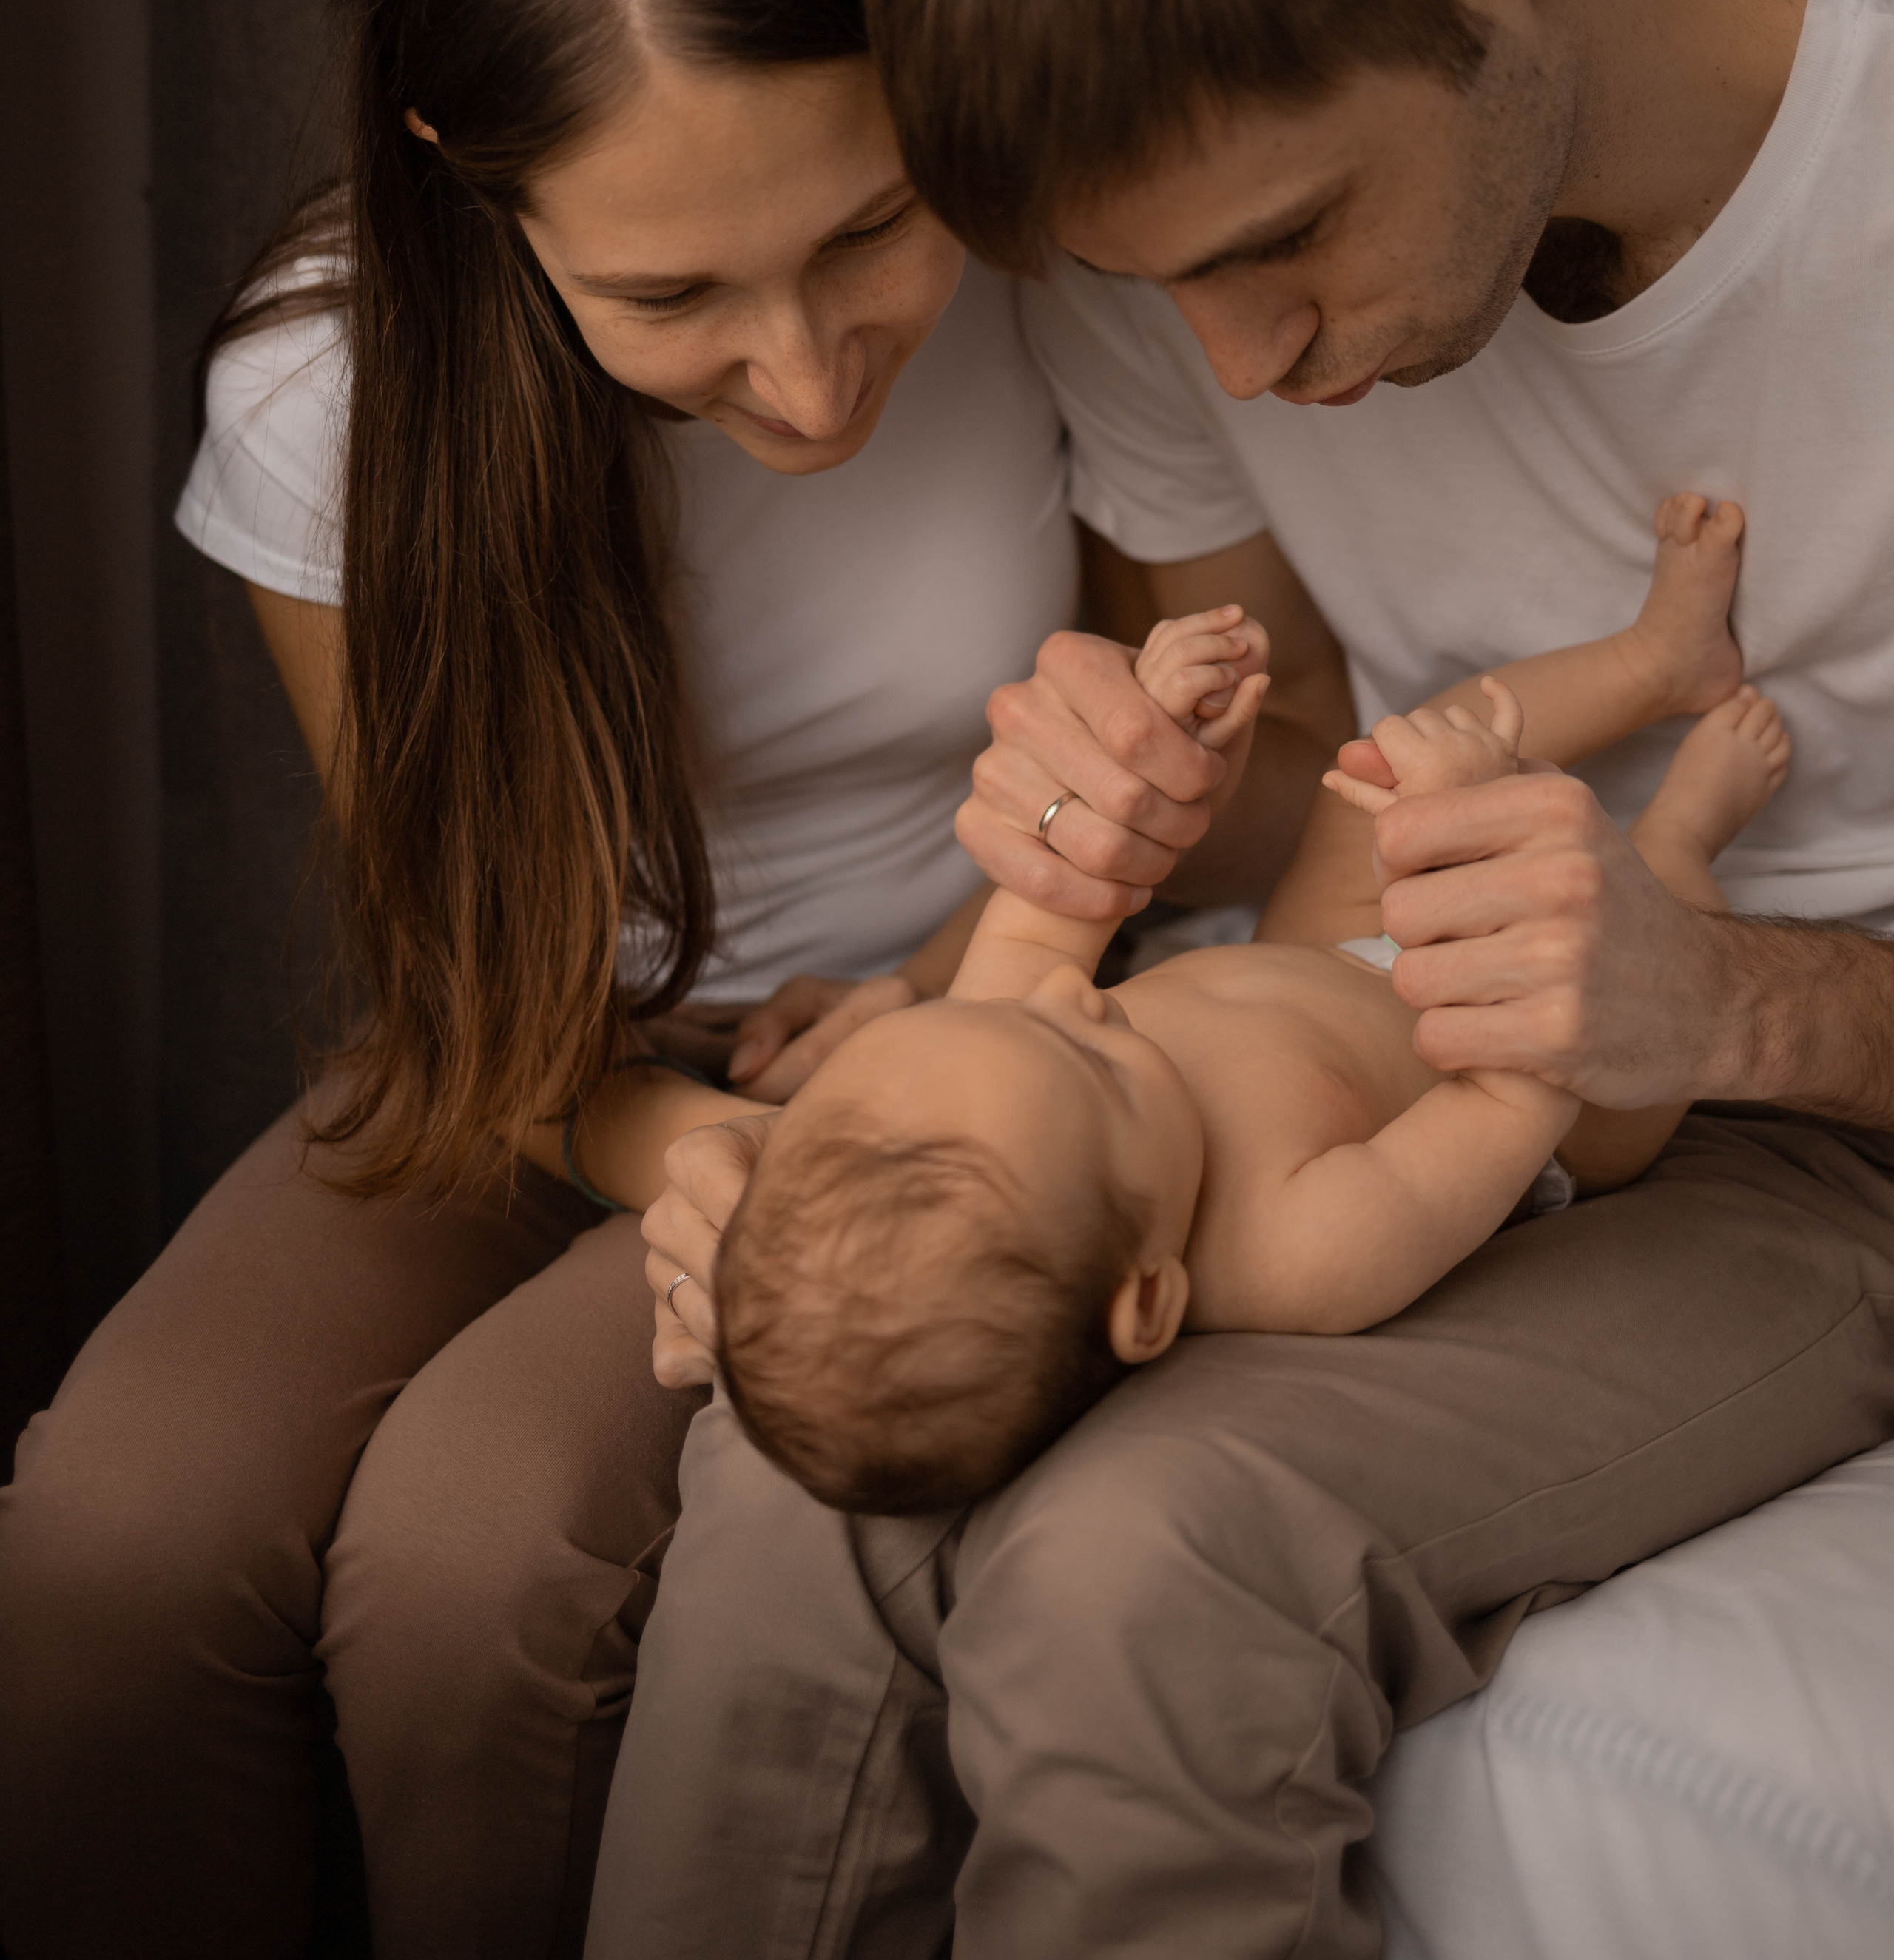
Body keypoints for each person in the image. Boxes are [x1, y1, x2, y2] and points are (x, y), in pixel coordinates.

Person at [544, 0, 1894, 1960]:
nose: (1247, 367)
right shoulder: (1185, 274)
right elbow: (1294, 747)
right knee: (821, 1486)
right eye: (1171, 293)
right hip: (1356, 1012)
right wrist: (1123, 798)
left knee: (1159, 1566)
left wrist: (1736, 994)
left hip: (1803, 1146)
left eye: (1287, 242)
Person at [0, 0, 1345, 1960]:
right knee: (106, 1537)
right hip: (540, 1053)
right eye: (669, 305)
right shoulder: (326, 394)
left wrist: (985, 962)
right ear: (471, 181)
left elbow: (1282, 749)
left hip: (968, 1022)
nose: (815, 383)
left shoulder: (1074, 276)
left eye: (866, 232)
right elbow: (450, 969)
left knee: (483, 1562)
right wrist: (675, 1152)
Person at [717, 500, 1790, 1515]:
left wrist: (1159, 729)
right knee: (1631, 935)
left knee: (1376, 765)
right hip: (1527, 1060)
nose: (1065, 998)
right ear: (1148, 1300)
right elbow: (1513, 1098)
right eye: (1096, 1063)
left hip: (1317, 949)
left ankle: (1656, 661)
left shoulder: (999, 1048)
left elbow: (1062, 904)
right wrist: (1479, 813)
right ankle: (1688, 831)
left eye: (990, 1013)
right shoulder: (1297, 1257)